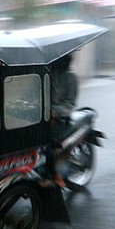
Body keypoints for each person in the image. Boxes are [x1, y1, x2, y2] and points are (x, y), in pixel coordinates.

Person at [44, 54, 78, 188]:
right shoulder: (47, 75)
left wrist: (55, 113)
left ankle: (58, 177)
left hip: (61, 117)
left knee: (52, 144)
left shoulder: (71, 77)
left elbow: (70, 103)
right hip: (44, 115)